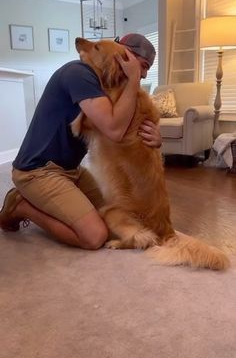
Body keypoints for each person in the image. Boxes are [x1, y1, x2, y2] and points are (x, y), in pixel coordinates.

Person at [0, 33, 162, 249]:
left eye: (146, 70)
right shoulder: (79, 73)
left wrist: (158, 139)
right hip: (37, 171)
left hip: (71, 171)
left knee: (118, 217)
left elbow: (126, 131)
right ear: (125, 57)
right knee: (94, 236)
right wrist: (132, 80)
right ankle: (21, 205)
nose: (142, 75)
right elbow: (114, 129)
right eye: (142, 66)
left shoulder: (110, 85)